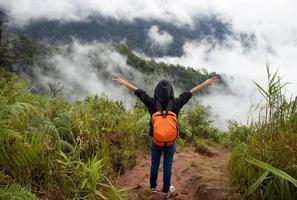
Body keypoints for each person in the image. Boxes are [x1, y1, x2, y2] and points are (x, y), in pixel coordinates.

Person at [113, 75, 218, 198]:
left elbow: (138, 92)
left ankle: (153, 187)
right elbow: (190, 93)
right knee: (168, 165)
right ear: (171, 92)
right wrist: (205, 83)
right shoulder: (176, 104)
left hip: (156, 140)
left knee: (155, 163)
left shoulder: (151, 103)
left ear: (156, 92)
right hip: (170, 142)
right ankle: (166, 190)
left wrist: (124, 82)